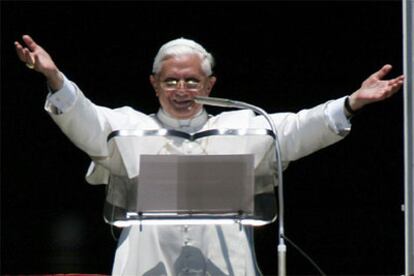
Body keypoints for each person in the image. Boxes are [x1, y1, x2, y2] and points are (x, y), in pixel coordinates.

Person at [15, 34, 404, 275]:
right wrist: (54, 78)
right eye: (171, 81)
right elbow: (83, 117)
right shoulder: (127, 128)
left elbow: (301, 127)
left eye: (191, 80)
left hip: (226, 265)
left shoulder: (246, 125)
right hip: (147, 266)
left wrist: (352, 103)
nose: (181, 89)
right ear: (154, 84)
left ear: (210, 83)